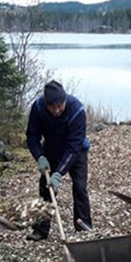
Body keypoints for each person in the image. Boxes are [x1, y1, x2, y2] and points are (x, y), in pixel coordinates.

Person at [25, 79, 92, 240]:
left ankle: (83, 228)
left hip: (76, 152)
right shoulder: (39, 108)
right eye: (52, 107)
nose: (56, 110)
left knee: (80, 188)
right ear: (46, 104)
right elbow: (32, 136)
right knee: (45, 188)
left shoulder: (77, 110)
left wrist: (59, 173)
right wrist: (39, 157)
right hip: (51, 149)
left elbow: (73, 147)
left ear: (64, 100)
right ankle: (41, 229)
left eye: (59, 105)